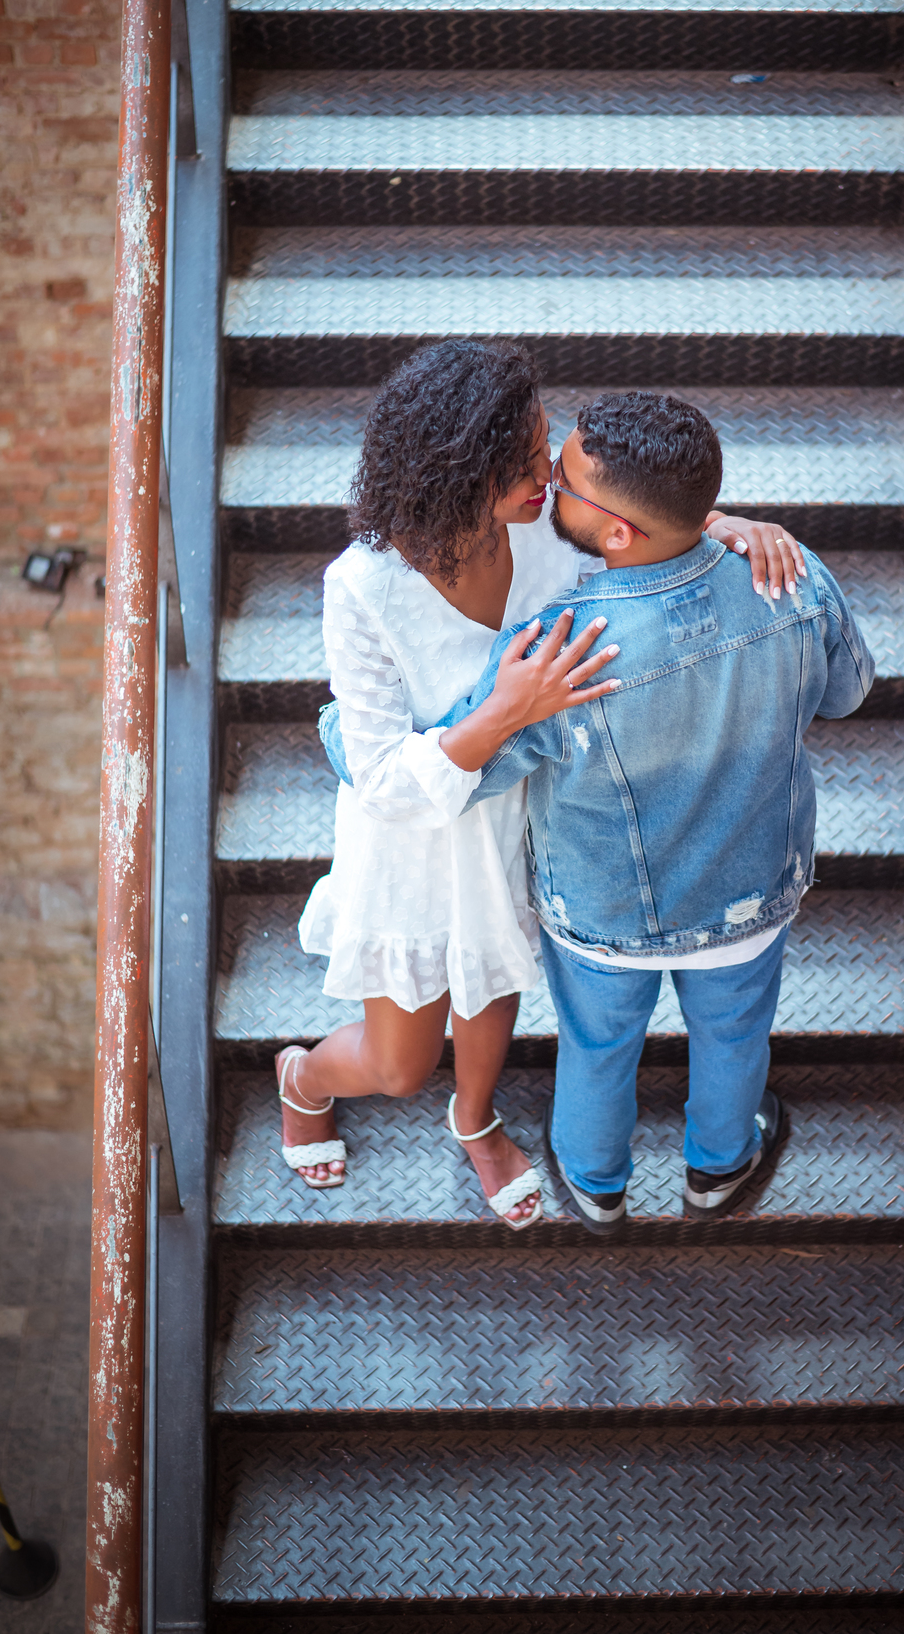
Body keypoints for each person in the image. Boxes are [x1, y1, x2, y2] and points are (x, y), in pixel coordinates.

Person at [277, 341, 804, 1228]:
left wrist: (717, 526)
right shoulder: (362, 587)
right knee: (401, 1063)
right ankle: (302, 1077)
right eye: (523, 464)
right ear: (456, 477)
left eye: (542, 446)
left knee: (493, 999)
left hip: (525, 824)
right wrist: (503, 711)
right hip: (415, 845)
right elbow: (381, 779)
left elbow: (630, 537)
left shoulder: (540, 527)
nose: (546, 475)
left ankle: (476, 1116)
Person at [434, 390, 876, 1232]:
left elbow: (474, 772)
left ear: (618, 533)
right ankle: (719, 1168)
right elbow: (849, 691)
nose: (545, 480)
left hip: (603, 917)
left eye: (563, 480)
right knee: (735, 1037)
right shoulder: (788, 575)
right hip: (750, 896)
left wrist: (352, 730)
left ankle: (595, 1183)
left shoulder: (556, 649)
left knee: (597, 1047)